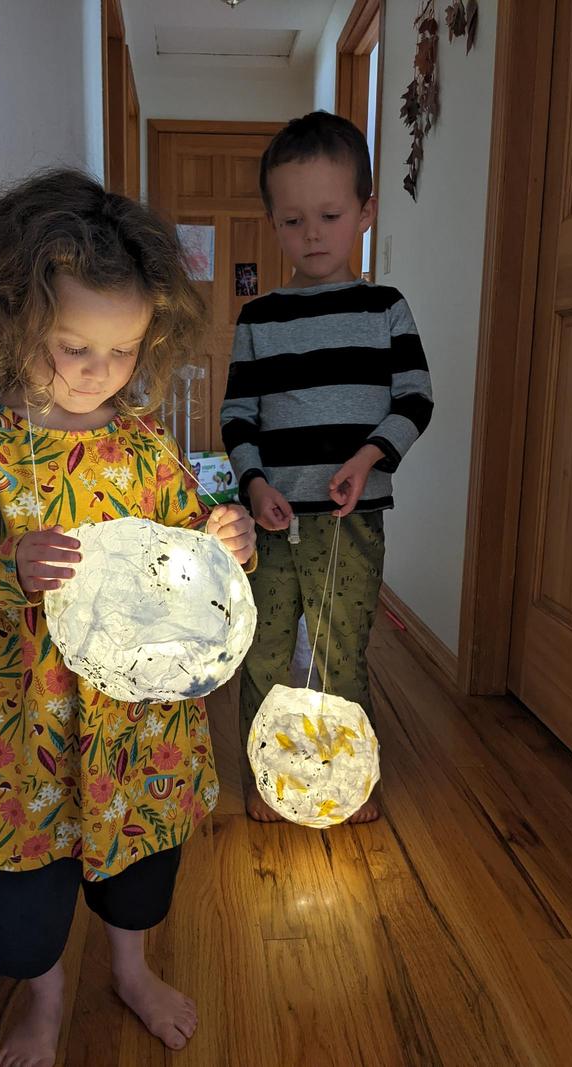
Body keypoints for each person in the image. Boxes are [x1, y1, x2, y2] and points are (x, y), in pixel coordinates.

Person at [0, 168, 256, 1067]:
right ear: (19, 320)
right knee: (25, 910)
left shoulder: (145, 442)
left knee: (138, 874)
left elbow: (189, 550)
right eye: (73, 346)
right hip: (21, 714)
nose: (97, 371)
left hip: (137, 722)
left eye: (121, 351)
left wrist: (224, 540)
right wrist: (10, 565)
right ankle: (47, 993)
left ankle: (130, 967)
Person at [220, 111, 433, 824]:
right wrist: (253, 484)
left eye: (331, 214)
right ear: (273, 221)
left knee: (342, 652)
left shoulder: (386, 310)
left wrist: (371, 456)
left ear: (366, 212)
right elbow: (237, 417)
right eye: (292, 220)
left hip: (354, 521)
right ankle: (260, 774)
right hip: (270, 526)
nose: (311, 233)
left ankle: (351, 775)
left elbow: (416, 398)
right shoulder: (258, 319)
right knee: (263, 653)